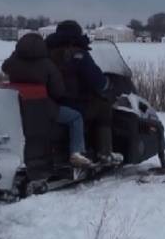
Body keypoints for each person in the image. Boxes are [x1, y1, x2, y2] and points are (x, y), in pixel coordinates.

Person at [1, 32, 91, 167]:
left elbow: (4, 67)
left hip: (16, 106)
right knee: (76, 117)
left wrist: (16, 55)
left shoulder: (13, 62)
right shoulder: (47, 64)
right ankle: (76, 153)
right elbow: (58, 91)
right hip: (42, 108)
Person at [45, 21, 124, 164]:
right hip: (75, 104)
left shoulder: (47, 53)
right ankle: (104, 152)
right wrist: (108, 85)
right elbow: (98, 81)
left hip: (52, 104)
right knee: (104, 106)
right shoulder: (79, 55)